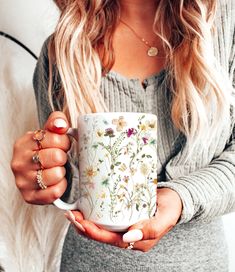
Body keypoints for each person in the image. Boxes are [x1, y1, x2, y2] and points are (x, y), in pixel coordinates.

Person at [11, 0, 235, 271]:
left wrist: (180, 197)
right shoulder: (62, 50)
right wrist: (43, 172)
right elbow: (71, 186)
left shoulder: (224, 23)